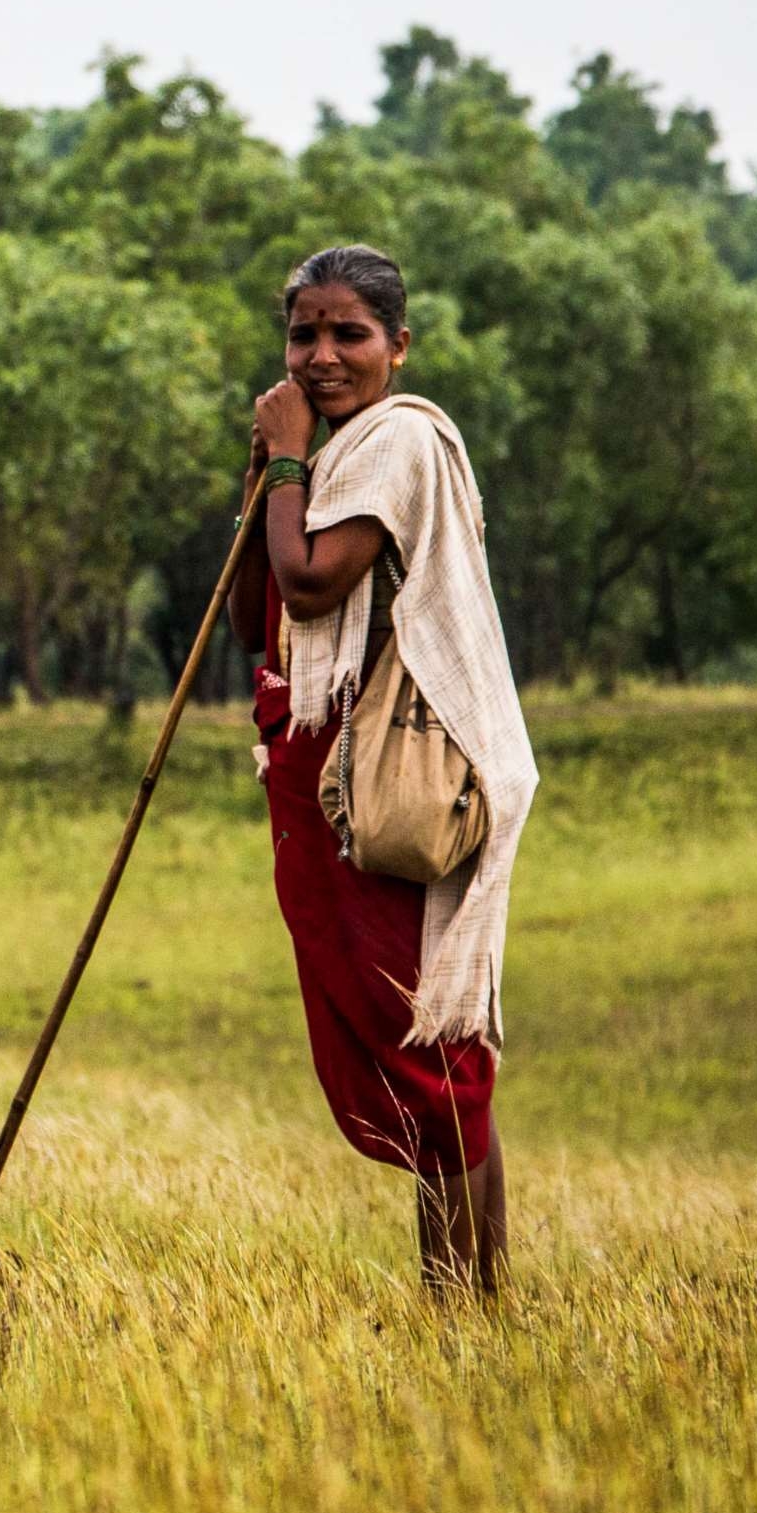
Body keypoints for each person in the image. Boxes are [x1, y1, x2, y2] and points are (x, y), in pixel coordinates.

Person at [234, 244, 538, 1295]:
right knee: (407, 1038)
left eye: (347, 334)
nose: (322, 355)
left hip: (378, 786)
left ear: (398, 346)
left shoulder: (396, 444)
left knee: (432, 1051)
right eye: (303, 334)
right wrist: (270, 476)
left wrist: (286, 463)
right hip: (315, 784)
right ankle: (470, 1299)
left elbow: (313, 585)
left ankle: (463, 1301)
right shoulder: (331, 453)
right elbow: (255, 616)